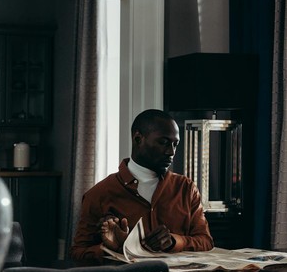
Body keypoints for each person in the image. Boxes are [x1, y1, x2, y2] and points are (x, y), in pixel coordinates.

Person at [70, 109, 214, 262]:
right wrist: (109, 249)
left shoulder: (186, 188)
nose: (171, 152)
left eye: (175, 144)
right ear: (138, 139)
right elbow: (77, 253)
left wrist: (174, 241)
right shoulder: (98, 194)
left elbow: (206, 241)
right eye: (164, 142)